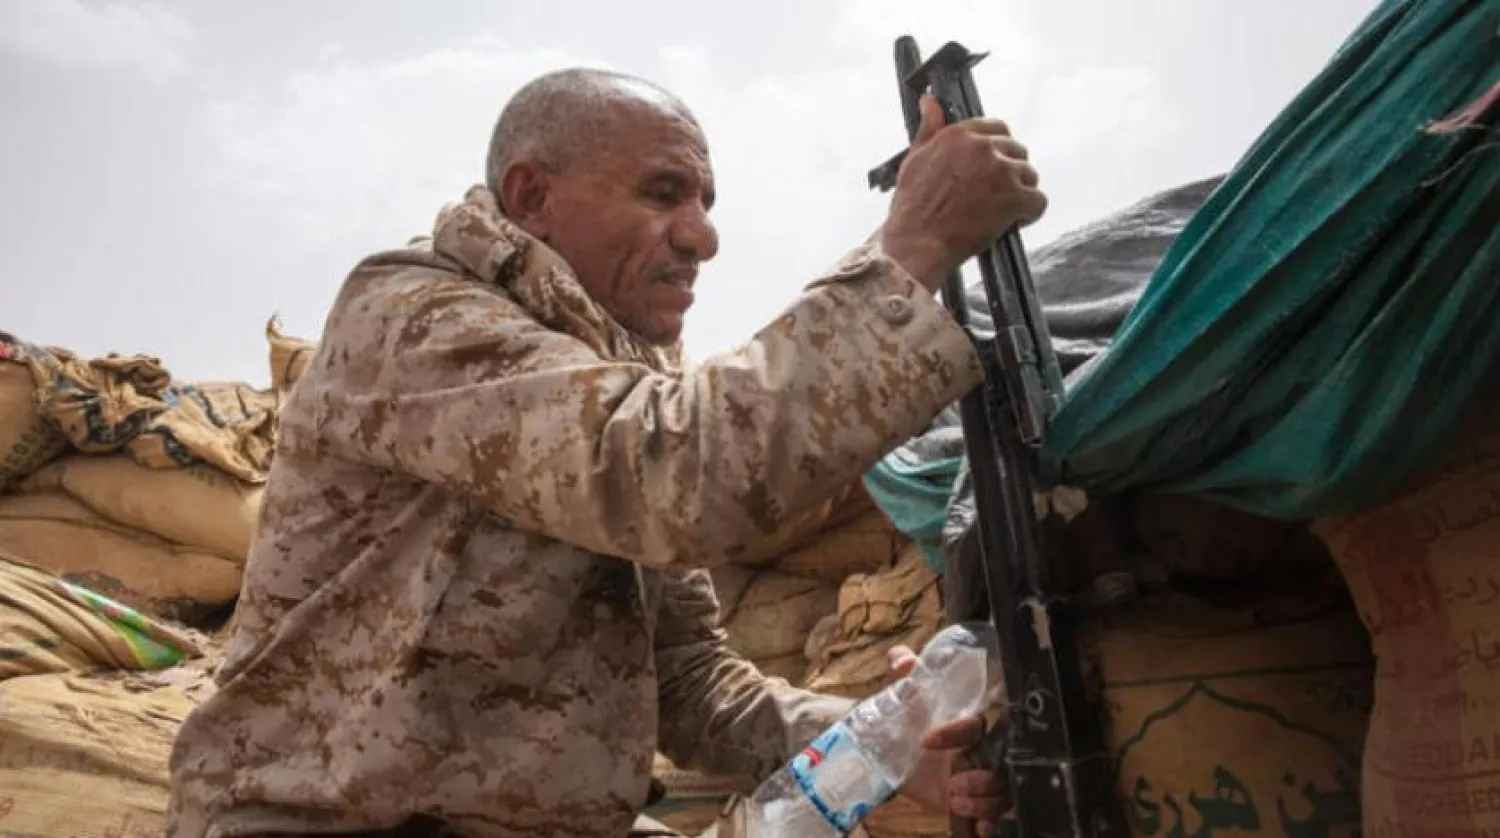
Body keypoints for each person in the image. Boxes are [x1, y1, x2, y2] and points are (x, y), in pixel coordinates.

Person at [166, 66, 1046, 838]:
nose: (702, 237)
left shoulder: (624, 372)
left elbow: (689, 680)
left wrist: (888, 742)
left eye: (705, 203)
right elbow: (674, 474)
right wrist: (913, 245)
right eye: (664, 194)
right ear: (531, 196)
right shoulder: (412, 316)